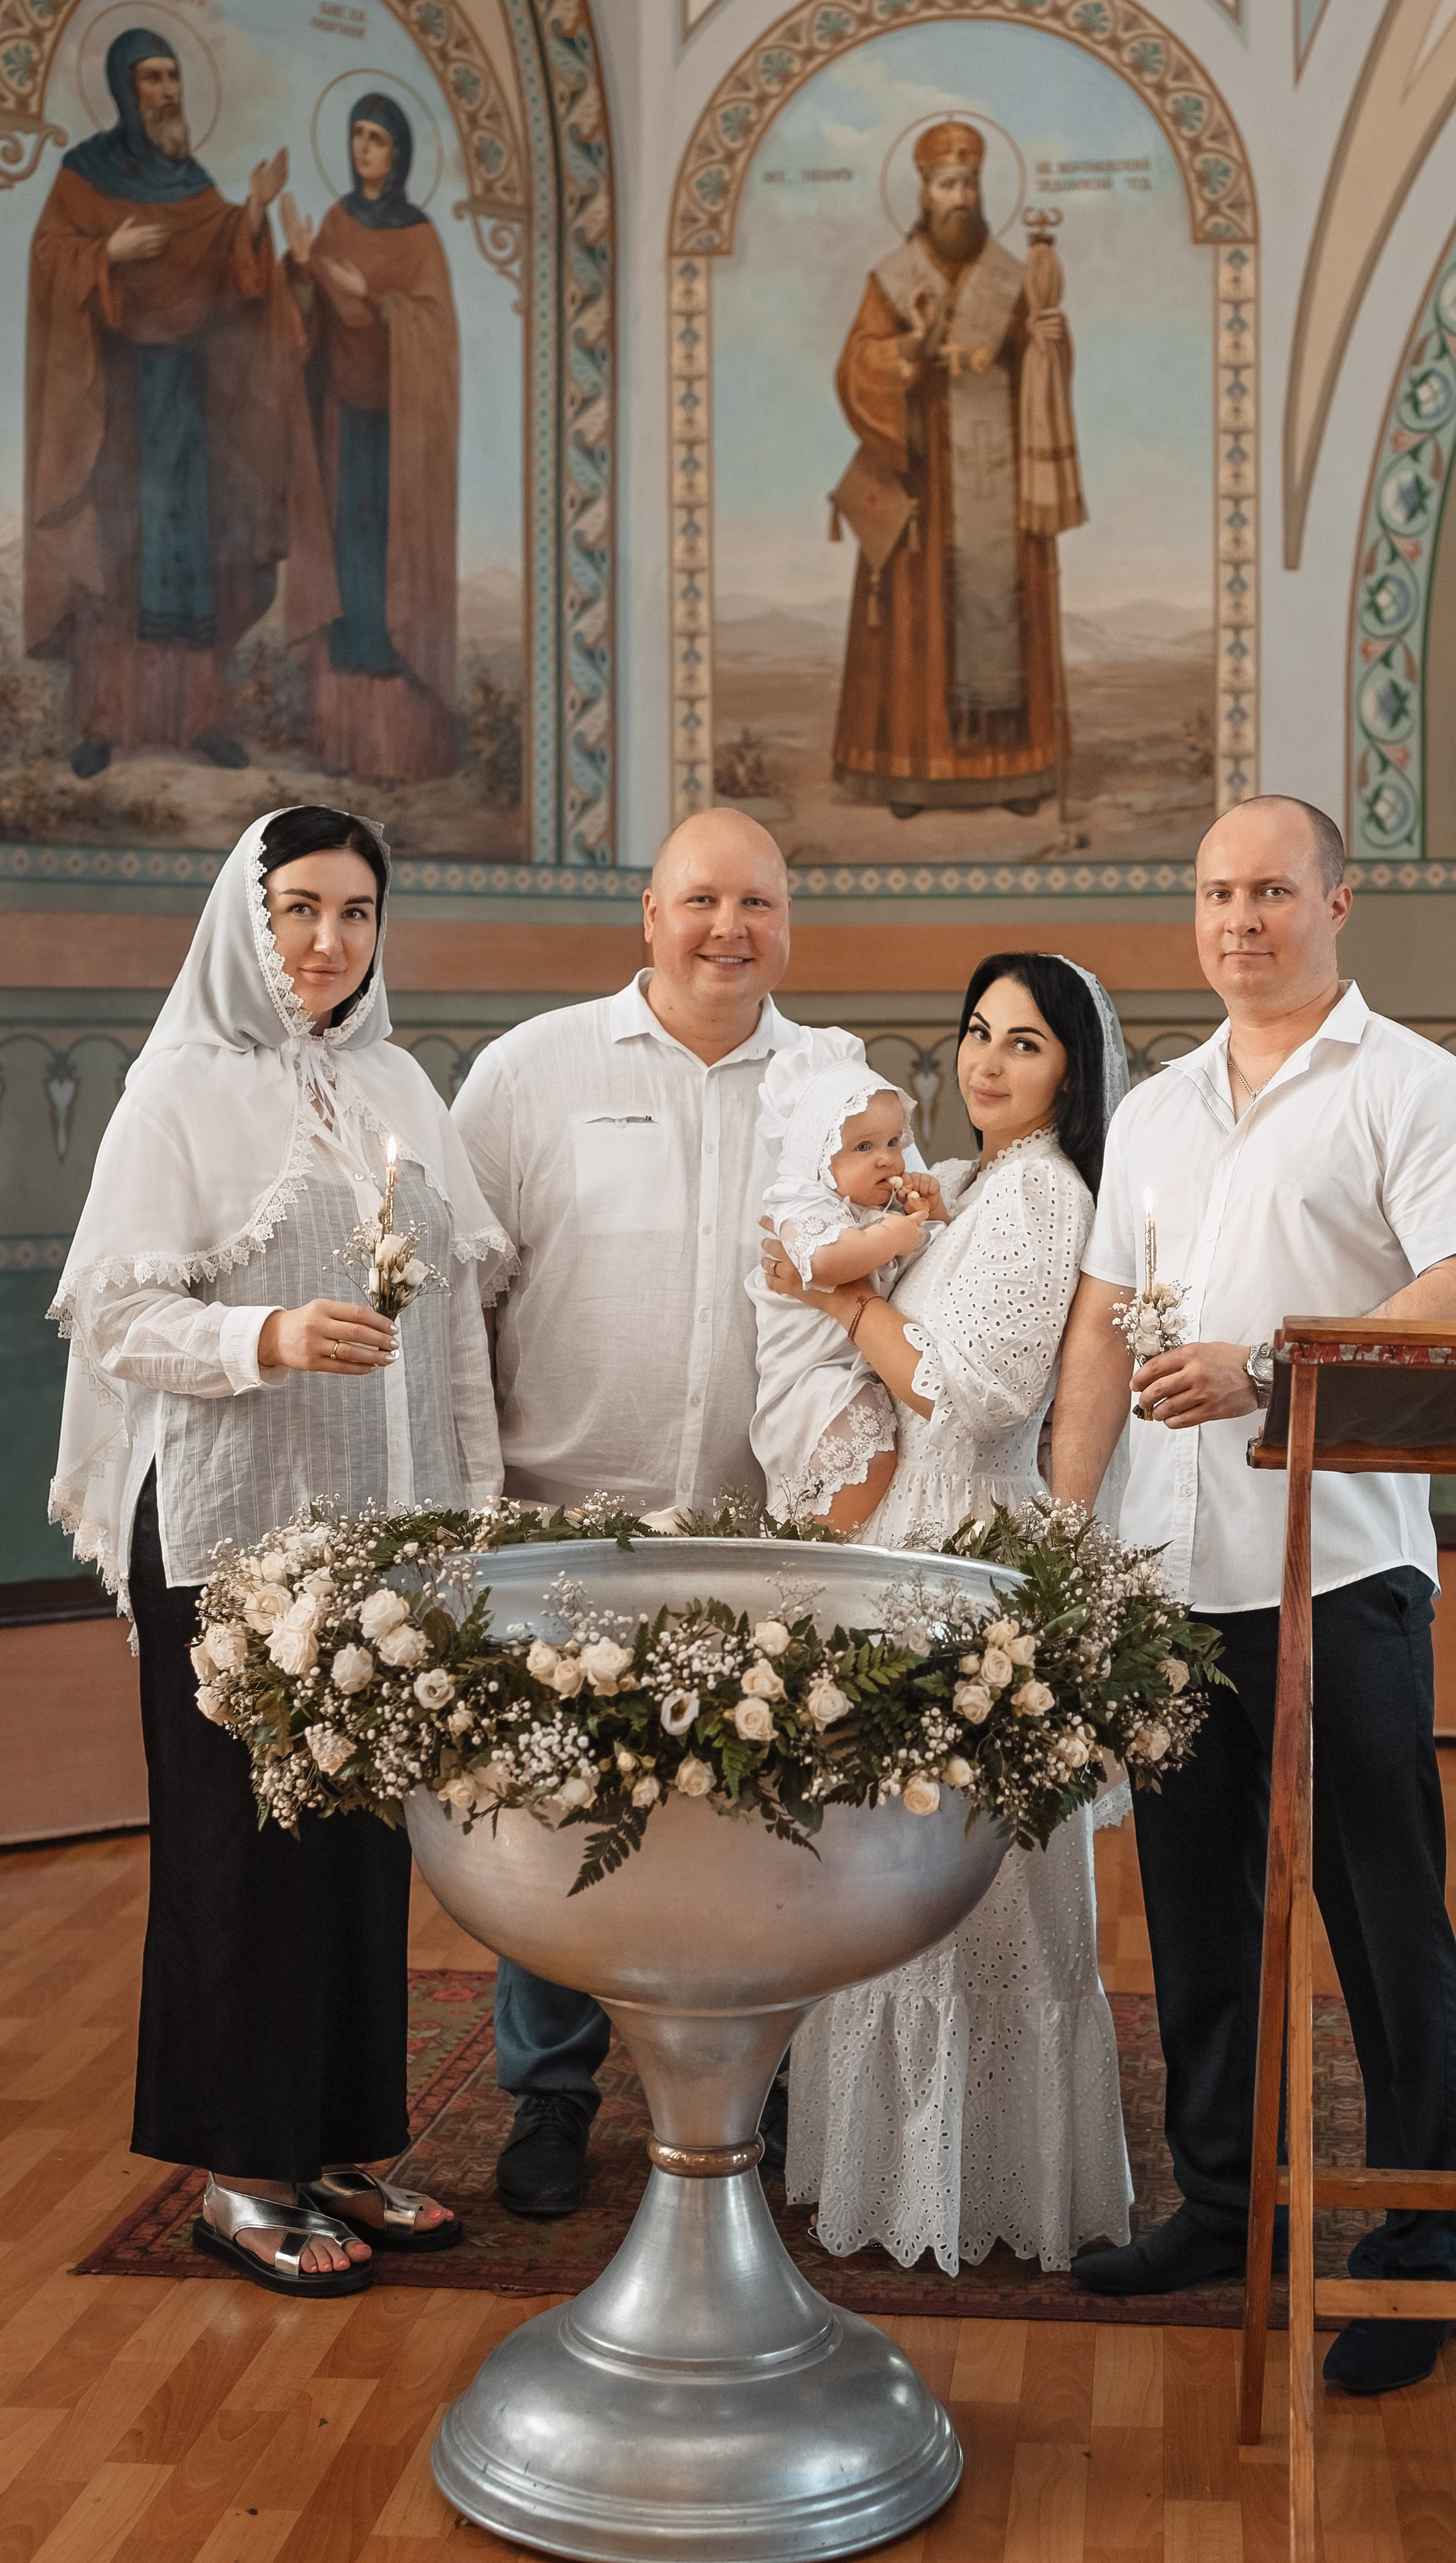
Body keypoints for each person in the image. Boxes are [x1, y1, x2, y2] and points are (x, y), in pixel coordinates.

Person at [1051, 795, 1456, 2396]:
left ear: (1336, 900)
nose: (1238, 916)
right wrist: (1064, 1521)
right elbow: (1106, 1320)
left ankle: (1412, 2245)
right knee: (1194, 1913)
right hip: (1169, 1575)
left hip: (1337, 1565)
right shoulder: (1157, 1110)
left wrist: (1268, 1368)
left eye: (1268, 887)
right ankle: (1221, 2202)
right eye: (1212, 891)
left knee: (1379, 1909)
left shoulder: (1416, 1086)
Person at [48, 803, 509, 2293]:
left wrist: (472, 1519)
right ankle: (243, 2178)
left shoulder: (397, 1083)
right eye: (300, 909)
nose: (328, 940)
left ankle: (347, 2144)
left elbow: (452, 1336)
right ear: (246, 923)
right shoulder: (174, 1094)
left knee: (363, 1856)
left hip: (381, 1539)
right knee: (241, 1859)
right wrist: (267, 1334)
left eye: (357, 913)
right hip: (230, 1536)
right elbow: (115, 1318)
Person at [451, 808, 863, 2215]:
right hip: (561, 1518)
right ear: (646, 914)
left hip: (767, 1529)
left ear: (788, 922)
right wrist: (469, 1501)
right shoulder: (530, 1072)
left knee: (770, 1832)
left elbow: (874, 1288)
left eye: (756, 902)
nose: (727, 930)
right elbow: (461, 1300)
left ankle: (774, 2097)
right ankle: (550, 2099)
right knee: (555, 1827)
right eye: (700, 901)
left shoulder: (834, 1082)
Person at [764, 954, 1136, 2273]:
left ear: (1071, 1072)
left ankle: (969, 2192)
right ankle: (904, 2177)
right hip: (909, 1555)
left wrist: (852, 1301)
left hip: (960, 1564)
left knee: (963, 1899)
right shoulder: (981, 1185)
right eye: (976, 1033)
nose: (985, 1061)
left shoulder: (1041, 1194)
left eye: (1023, 1044)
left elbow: (972, 1393)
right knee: (895, 1893)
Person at [24, 28, 299, 779]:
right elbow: (49, 259)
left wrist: (253, 214)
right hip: (112, 401)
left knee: (192, 556)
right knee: (119, 554)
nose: (167, 92)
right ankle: (103, 723)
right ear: (124, 90)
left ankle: (199, 719)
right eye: (151, 79)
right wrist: (100, 257)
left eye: (173, 78)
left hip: (188, 400)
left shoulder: (193, 184)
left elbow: (231, 276)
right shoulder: (84, 176)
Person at [829, 120, 1076, 819]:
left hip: (1000, 467)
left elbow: (1045, 359)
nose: (960, 196)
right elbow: (855, 367)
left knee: (1004, 605)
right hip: (925, 475)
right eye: (947, 184)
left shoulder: (1014, 275)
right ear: (924, 192)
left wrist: (1049, 348)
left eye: (969, 183)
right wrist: (910, 349)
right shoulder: (892, 279)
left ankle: (1016, 772)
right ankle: (912, 775)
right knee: (919, 614)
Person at [280, 94, 458, 782]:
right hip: (341, 418)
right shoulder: (334, 223)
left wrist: (378, 301)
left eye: (376, 138)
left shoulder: (418, 237)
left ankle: (397, 735)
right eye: (356, 135)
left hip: (401, 429)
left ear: (399, 153)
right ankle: (343, 736)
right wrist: (301, 271)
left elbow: (436, 331)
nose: (363, 148)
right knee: (346, 551)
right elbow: (308, 325)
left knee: (390, 552)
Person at [746, 1057, 942, 1527]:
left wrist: (932, 1213)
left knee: (873, 1442)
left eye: (894, 1142)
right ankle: (811, 1547)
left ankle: (825, 1547)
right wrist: (894, 1235)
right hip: (806, 1374)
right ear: (818, 1154)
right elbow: (826, 1263)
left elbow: (934, 1268)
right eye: (863, 1146)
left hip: (849, 1364)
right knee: (861, 1443)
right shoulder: (802, 1201)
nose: (886, 1158)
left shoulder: (875, 1209)